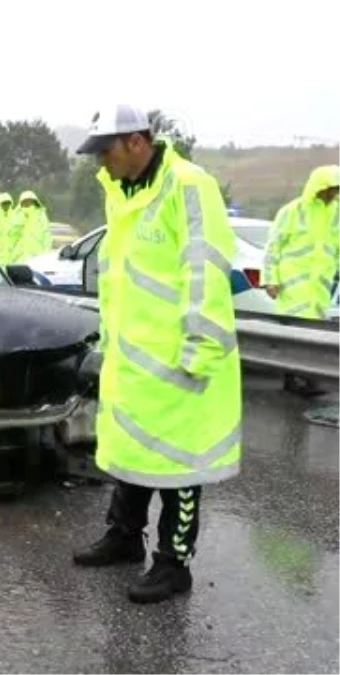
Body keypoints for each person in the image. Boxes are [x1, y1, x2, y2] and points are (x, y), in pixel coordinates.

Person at [71, 104, 242, 605]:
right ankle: (124, 537)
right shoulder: (122, 193)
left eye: (106, 150)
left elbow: (204, 268)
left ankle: (173, 564)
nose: (100, 162)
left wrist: (201, 346)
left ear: (136, 142)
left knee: (179, 467)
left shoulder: (188, 186)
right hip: (135, 360)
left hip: (182, 358)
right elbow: (121, 279)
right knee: (131, 451)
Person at [261, 164, 340, 396]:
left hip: (320, 285)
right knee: (293, 334)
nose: (334, 193)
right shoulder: (292, 211)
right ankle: (292, 379)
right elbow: (273, 247)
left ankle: (309, 378)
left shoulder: (336, 213)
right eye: (332, 188)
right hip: (293, 284)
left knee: (315, 335)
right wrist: (270, 279)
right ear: (319, 187)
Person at [9, 190, 52, 263]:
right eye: (24, 201)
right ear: (21, 202)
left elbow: (47, 236)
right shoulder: (16, 215)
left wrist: (46, 254)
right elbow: (10, 236)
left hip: (37, 258)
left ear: (34, 202)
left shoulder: (40, 216)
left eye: (29, 201)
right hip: (18, 258)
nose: (27, 203)